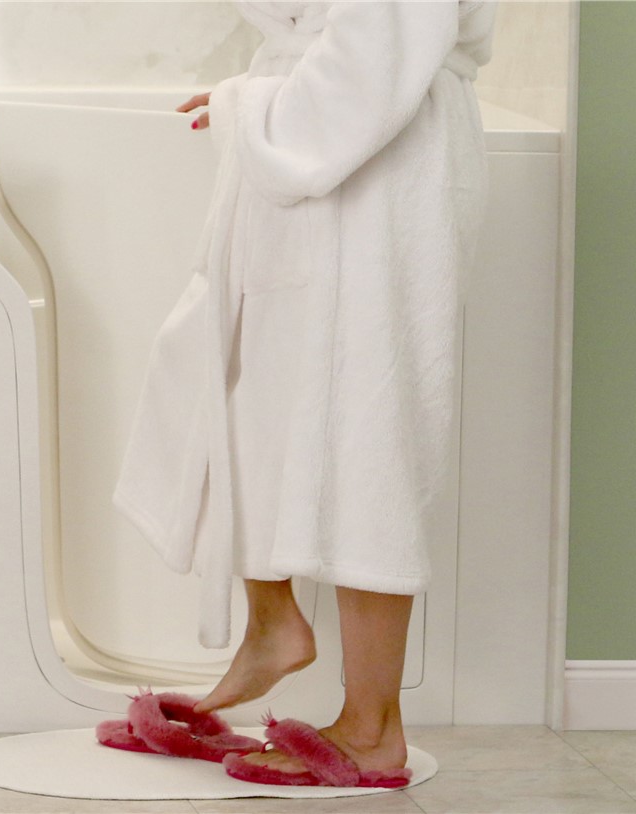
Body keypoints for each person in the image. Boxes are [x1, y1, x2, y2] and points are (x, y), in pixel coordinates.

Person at [111, 0, 498, 781]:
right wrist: (267, 90)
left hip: (380, 164)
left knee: (369, 427)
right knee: (244, 379)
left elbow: (376, 51)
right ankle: (272, 625)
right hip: (336, 148)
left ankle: (372, 728)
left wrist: (255, 110)